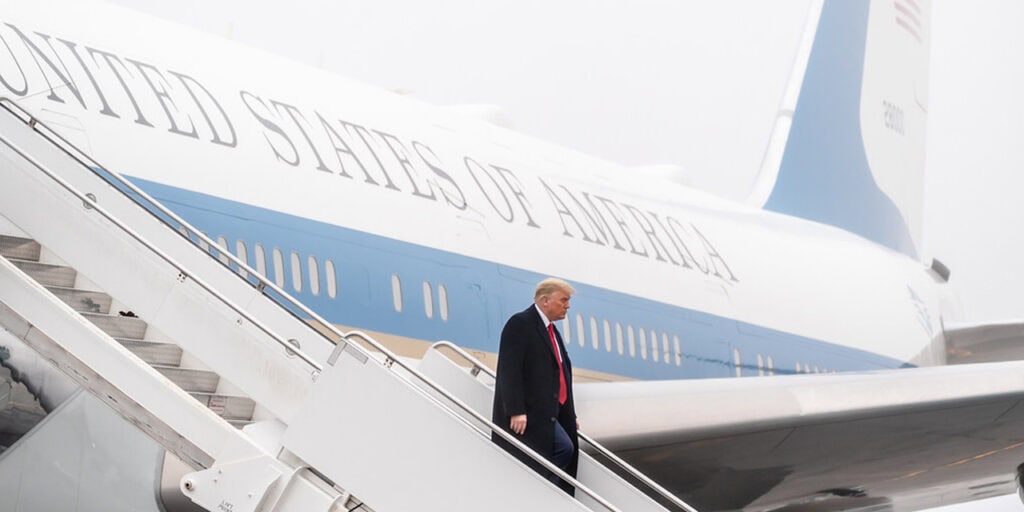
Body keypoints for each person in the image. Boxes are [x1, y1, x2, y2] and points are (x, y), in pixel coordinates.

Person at [492, 277, 579, 494]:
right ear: (545, 300)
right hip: (530, 414)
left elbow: (560, 374)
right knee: (564, 449)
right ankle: (543, 493)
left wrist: (570, 414)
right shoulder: (520, 324)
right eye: (563, 300)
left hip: (550, 413)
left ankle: (545, 492)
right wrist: (515, 410)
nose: (567, 306)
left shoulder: (552, 332)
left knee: (562, 450)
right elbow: (509, 369)